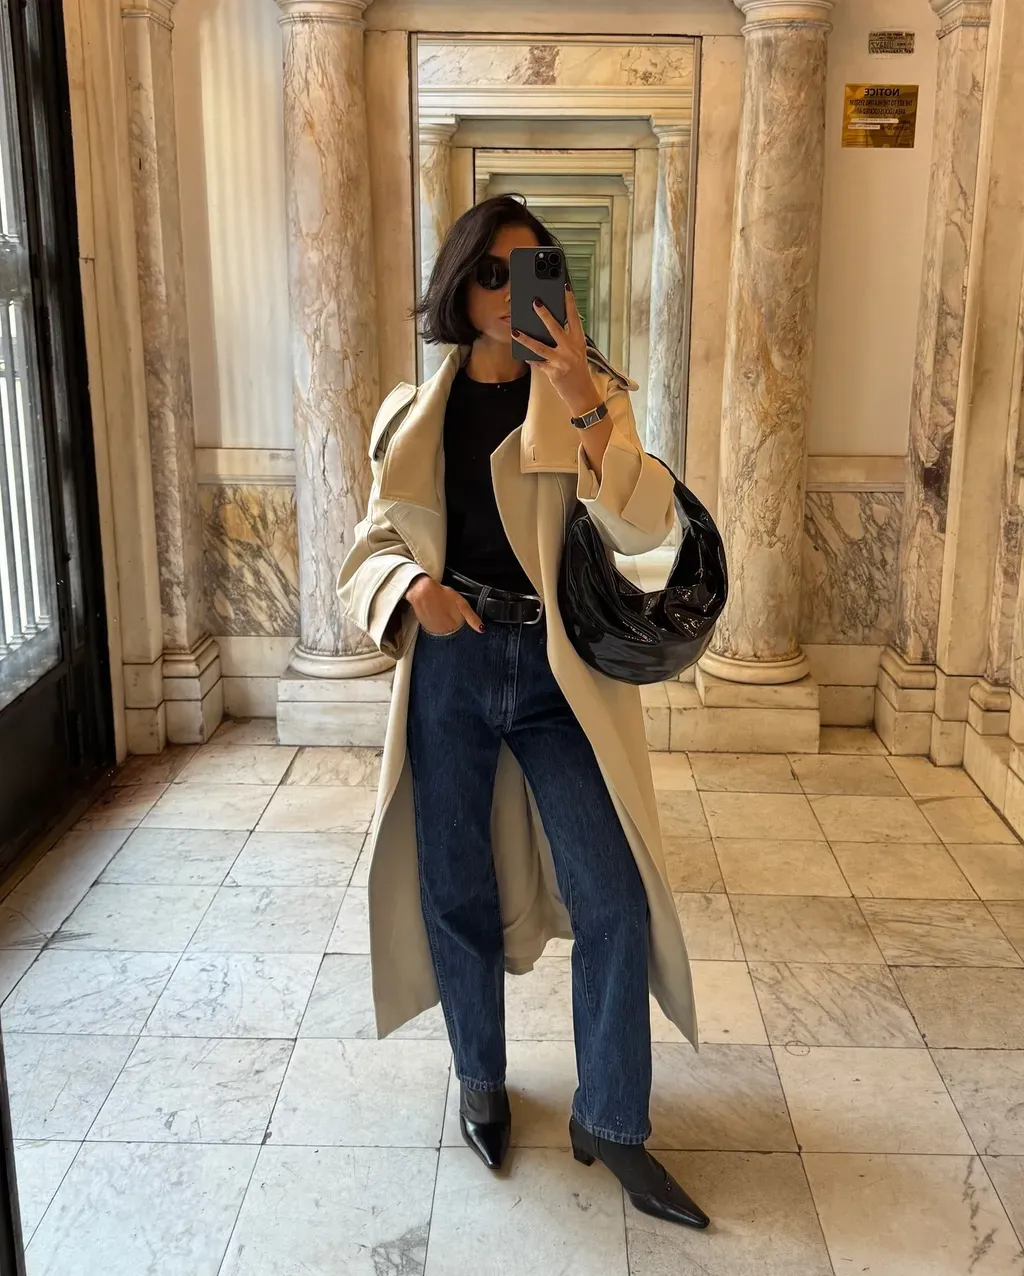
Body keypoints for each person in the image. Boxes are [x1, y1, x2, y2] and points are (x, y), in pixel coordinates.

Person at [338, 194, 708, 1230]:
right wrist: (413, 587)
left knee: (613, 896)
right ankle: (480, 1081)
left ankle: (613, 1121)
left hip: (558, 673)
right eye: (491, 275)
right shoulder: (411, 413)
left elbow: (643, 529)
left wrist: (582, 396)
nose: (509, 293)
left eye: (530, 270)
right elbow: (369, 547)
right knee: (453, 884)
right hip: (453, 663)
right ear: (460, 286)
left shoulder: (590, 397)